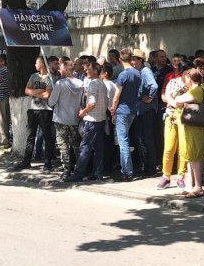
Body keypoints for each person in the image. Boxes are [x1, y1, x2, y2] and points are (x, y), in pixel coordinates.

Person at [65, 62, 108, 182]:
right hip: (100, 119)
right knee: (98, 148)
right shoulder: (102, 83)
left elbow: (92, 102)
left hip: (92, 120)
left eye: (88, 69)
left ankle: (78, 174)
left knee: (85, 147)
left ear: (95, 70)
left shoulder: (94, 83)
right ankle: (97, 173)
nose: (86, 71)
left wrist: (83, 112)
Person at [169, 64, 204, 197]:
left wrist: (175, 99)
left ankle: (198, 187)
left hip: (193, 128)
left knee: (194, 157)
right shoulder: (195, 89)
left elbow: (178, 100)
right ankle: (190, 185)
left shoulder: (197, 90)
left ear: (189, 78)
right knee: (190, 157)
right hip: (189, 128)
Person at [16, 57, 55, 172]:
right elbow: (26, 91)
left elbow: (47, 95)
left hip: (46, 110)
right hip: (33, 110)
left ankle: (48, 163)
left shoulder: (49, 77)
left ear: (42, 64)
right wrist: (40, 91)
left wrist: (34, 92)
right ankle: (26, 161)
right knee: (30, 136)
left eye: (36, 62)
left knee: (47, 137)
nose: (35, 65)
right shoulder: (33, 76)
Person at [48, 60, 84, 180]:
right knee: (76, 146)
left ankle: (66, 170)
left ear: (67, 70)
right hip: (75, 119)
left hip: (61, 120)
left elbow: (51, 101)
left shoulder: (60, 84)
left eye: (61, 68)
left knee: (63, 146)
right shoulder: (81, 83)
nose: (59, 70)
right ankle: (80, 169)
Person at [109, 48, 142, 181]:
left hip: (122, 110)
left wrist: (112, 108)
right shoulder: (137, 73)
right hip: (132, 109)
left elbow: (117, 95)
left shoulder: (123, 75)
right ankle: (129, 168)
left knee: (123, 141)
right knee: (126, 139)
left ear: (120, 59)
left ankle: (127, 171)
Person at [131, 49, 159, 176]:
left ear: (140, 60)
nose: (132, 62)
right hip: (140, 109)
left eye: (135, 59)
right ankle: (146, 165)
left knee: (147, 139)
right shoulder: (138, 71)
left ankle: (150, 167)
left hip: (146, 110)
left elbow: (154, 86)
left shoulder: (145, 71)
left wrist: (149, 98)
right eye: (132, 59)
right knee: (141, 139)